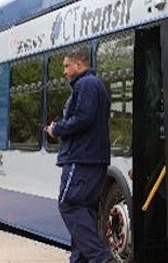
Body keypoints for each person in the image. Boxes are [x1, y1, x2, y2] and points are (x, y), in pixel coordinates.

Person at [45, 46, 117, 263]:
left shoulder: (86, 84)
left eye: (67, 66)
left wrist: (56, 129)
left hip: (81, 159)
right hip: (93, 159)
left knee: (69, 204)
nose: (64, 72)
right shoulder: (96, 86)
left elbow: (83, 119)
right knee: (85, 213)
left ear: (79, 64)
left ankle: (102, 259)